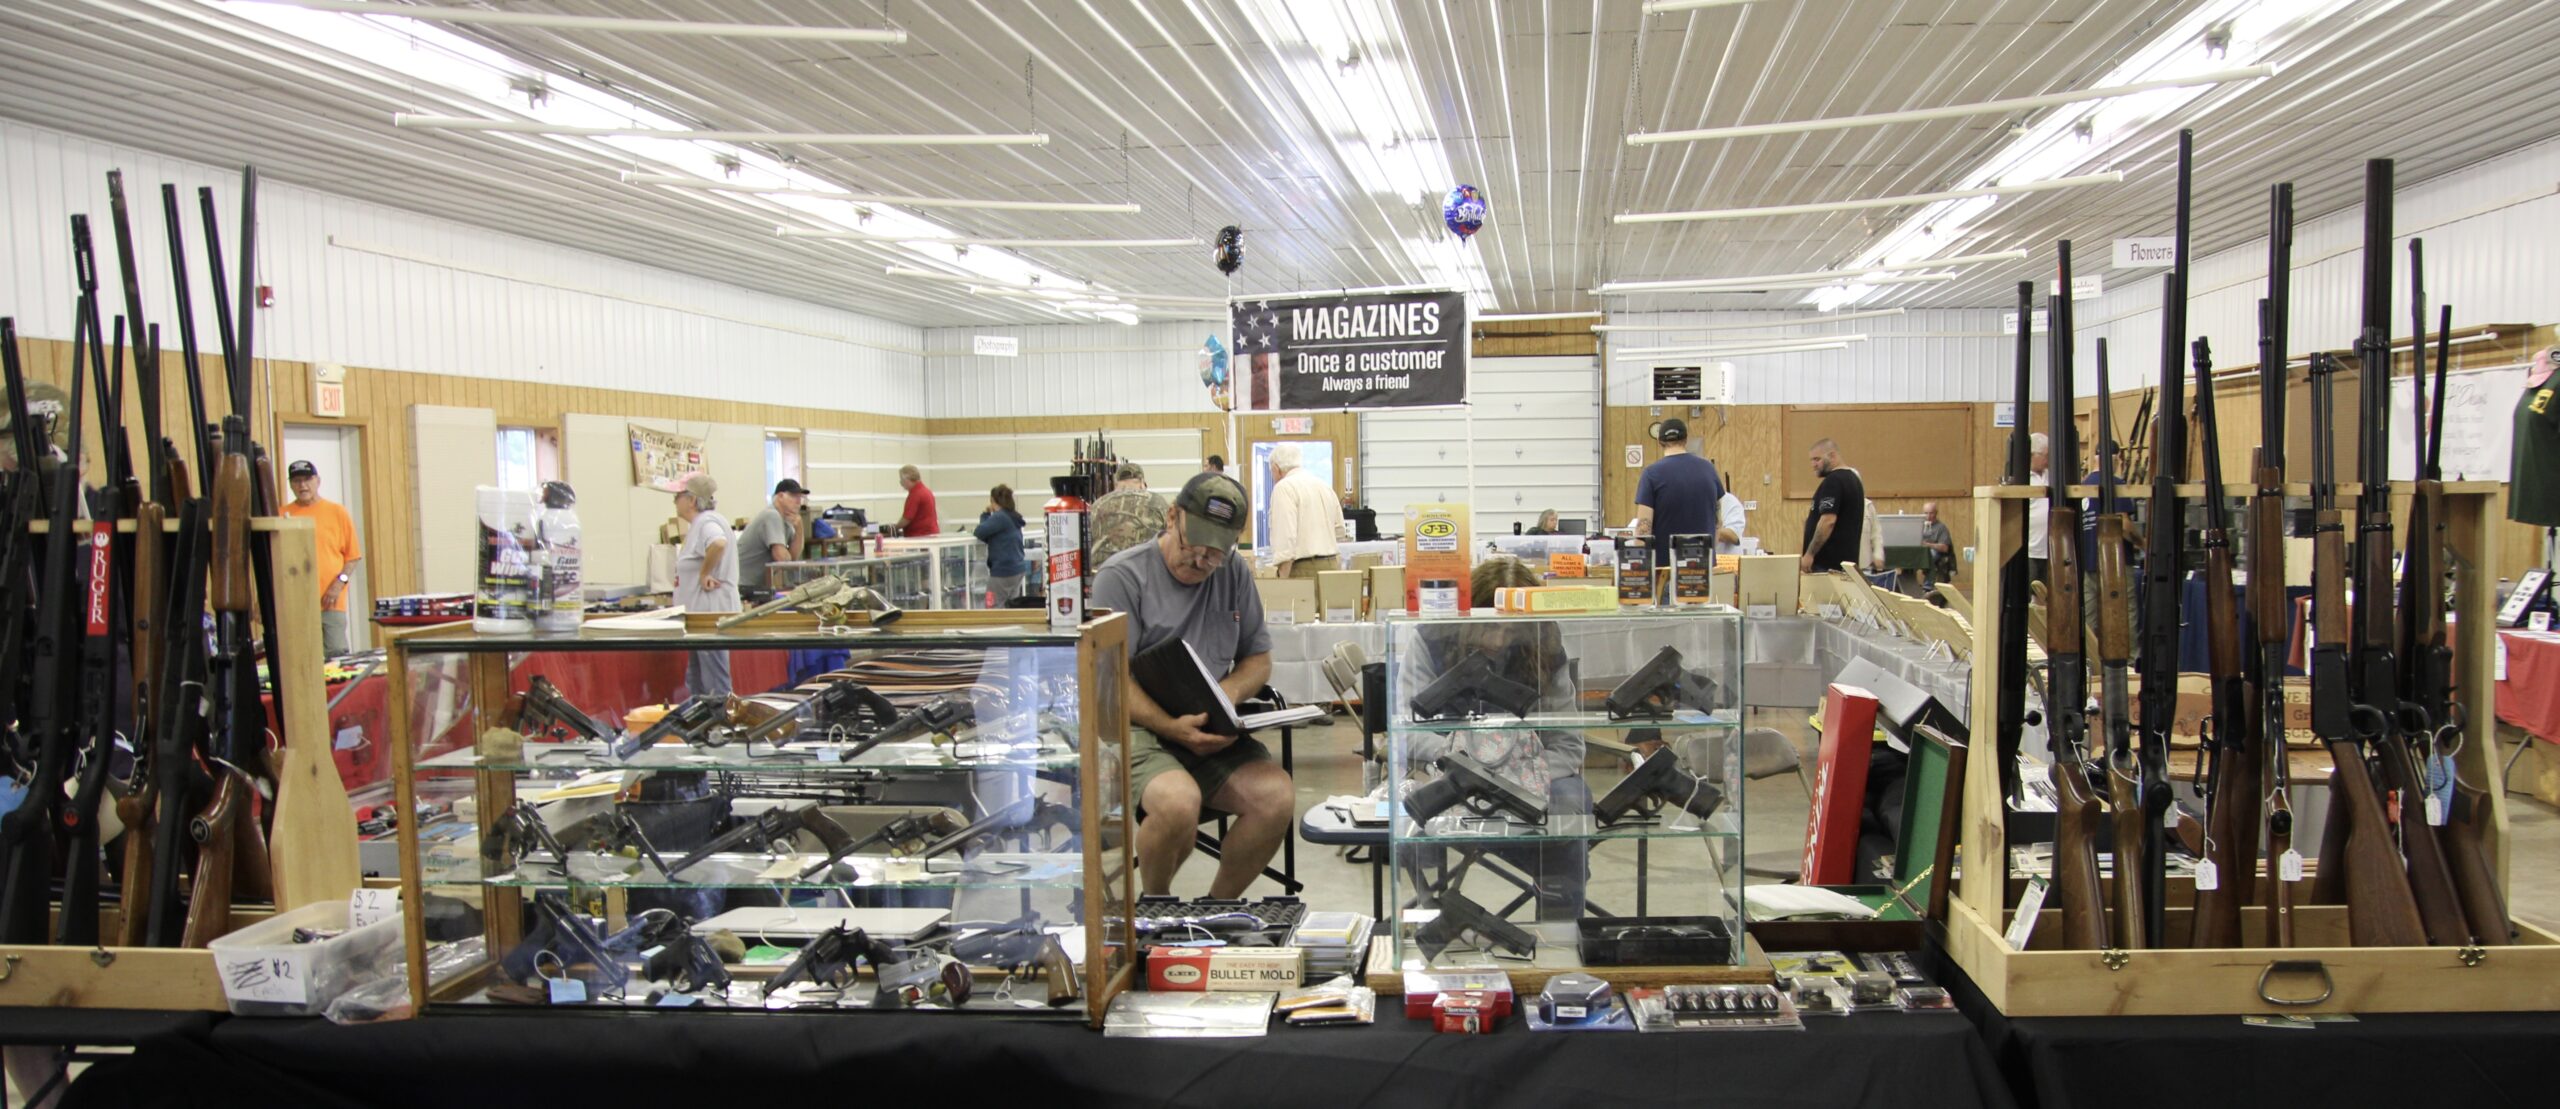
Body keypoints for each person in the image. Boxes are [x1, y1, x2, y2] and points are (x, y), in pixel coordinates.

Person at [1091, 472, 1293, 898]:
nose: (1199, 561)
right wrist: (1168, 725)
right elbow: (1111, 680)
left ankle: (1214, 910)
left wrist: (1228, 695)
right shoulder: (1122, 578)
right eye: (1191, 546)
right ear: (1171, 518)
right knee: (1177, 803)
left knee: (1275, 799)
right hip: (1141, 728)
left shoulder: (1233, 573)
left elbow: (1258, 659)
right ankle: (1157, 906)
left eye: (1214, 554)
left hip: (1208, 726)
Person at [1399, 557, 1589, 921]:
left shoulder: (1545, 647)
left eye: (1511, 630)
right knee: (1411, 818)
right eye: (1488, 627)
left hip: (1537, 781)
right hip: (1452, 779)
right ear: (1468, 616)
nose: (1499, 641)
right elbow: (1410, 733)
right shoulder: (1432, 638)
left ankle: (1559, 939)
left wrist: (1514, 772)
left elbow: (1569, 745)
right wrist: (1473, 765)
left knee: (1568, 822)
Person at [282, 459, 364, 658]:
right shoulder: (282, 515)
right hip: (296, 602)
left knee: (335, 652)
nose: (303, 485)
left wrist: (338, 584)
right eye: (297, 481)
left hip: (330, 602)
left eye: (307, 479)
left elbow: (352, 557)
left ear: (318, 481)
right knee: (301, 656)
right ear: (291, 484)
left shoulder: (337, 512)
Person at [672, 474, 739, 696]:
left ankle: (721, 724)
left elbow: (718, 543)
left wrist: (705, 573)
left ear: (692, 500)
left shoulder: (706, 522)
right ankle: (703, 727)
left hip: (710, 616)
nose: (674, 501)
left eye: (678, 496)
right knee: (697, 680)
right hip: (700, 618)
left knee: (715, 683)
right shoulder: (702, 523)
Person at [1634, 418, 1726, 566]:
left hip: (1665, 569)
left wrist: (1640, 567)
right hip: (1702, 565)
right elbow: (1717, 523)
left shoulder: (1651, 474)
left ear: (1659, 441)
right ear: (1686, 439)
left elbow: (1643, 530)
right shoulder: (1709, 469)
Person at [1263, 443, 1344, 579]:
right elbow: (1340, 530)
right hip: (1332, 566)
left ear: (1276, 468)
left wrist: (1282, 579)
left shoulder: (1283, 488)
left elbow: (1286, 538)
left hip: (1303, 568)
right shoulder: (1323, 485)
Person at [1799, 438, 1866, 574]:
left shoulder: (1833, 481)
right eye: (1811, 460)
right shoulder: (1853, 479)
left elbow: (1828, 521)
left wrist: (1810, 554)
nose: (1813, 464)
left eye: (1817, 459)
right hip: (1845, 565)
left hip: (1828, 566)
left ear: (1833, 456)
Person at [1087, 463, 1170, 569]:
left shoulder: (1097, 504)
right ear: (1142, 484)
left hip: (1103, 574)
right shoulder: (1157, 501)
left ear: (1116, 485)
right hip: (1144, 574)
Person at [735, 478, 806, 599]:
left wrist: (799, 528)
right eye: (794, 496)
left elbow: (793, 558)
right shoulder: (771, 515)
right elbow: (782, 559)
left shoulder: (786, 521)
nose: (798, 501)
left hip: (756, 585)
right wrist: (787, 556)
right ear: (780, 496)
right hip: (744, 586)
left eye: (800, 497)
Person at [975, 484, 1028, 605]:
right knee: (1010, 605)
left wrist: (985, 514)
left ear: (993, 501)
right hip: (1018, 569)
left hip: (1003, 571)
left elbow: (979, 532)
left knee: (991, 606)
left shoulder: (1000, 517)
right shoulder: (1013, 516)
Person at [2026, 432, 2052, 580]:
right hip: (2031, 550)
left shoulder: (2051, 475)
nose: (2047, 460)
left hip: (2051, 549)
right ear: (2032, 454)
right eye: (2044, 455)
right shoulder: (2022, 479)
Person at [1918, 501, 1956, 587]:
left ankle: (1928, 585)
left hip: (1934, 552)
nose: (1928, 516)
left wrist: (1928, 545)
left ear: (1936, 513)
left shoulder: (1941, 527)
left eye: (1931, 513)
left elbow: (1945, 547)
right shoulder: (1919, 525)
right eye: (1926, 513)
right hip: (1919, 552)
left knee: (1930, 556)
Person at [895, 464, 939, 538]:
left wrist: (895, 528)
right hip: (930, 534)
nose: (901, 483)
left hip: (920, 536)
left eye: (901, 480)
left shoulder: (915, 495)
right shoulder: (926, 491)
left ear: (907, 479)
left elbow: (906, 519)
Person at [1716, 489, 1748, 553]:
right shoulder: (1694, 499)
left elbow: (1733, 535)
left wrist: (1706, 529)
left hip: (1727, 560)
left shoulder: (1730, 501)